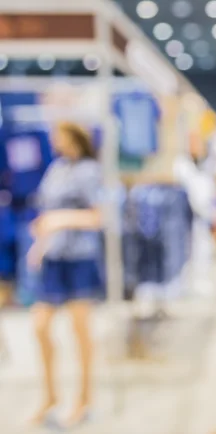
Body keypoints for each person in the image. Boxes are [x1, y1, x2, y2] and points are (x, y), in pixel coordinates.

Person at [27, 122, 104, 428]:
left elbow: (98, 216)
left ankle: (84, 398)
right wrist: (39, 245)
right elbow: (46, 214)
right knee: (40, 326)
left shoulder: (89, 171)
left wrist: (59, 220)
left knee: (80, 331)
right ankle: (50, 395)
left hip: (79, 258)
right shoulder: (55, 169)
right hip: (54, 258)